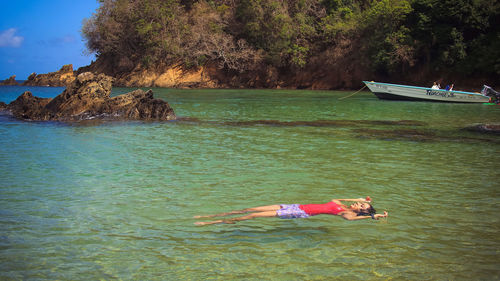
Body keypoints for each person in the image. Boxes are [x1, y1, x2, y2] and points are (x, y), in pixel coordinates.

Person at [194, 197, 388, 225]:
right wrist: (359, 199)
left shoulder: (346, 214)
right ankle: (214, 215)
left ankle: (213, 222)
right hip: (294, 205)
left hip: (299, 213)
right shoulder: (341, 204)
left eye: (361, 207)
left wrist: (372, 215)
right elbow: (341, 198)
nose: (358, 206)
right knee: (250, 208)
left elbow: (353, 220)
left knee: (252, 216)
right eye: (360, 205)